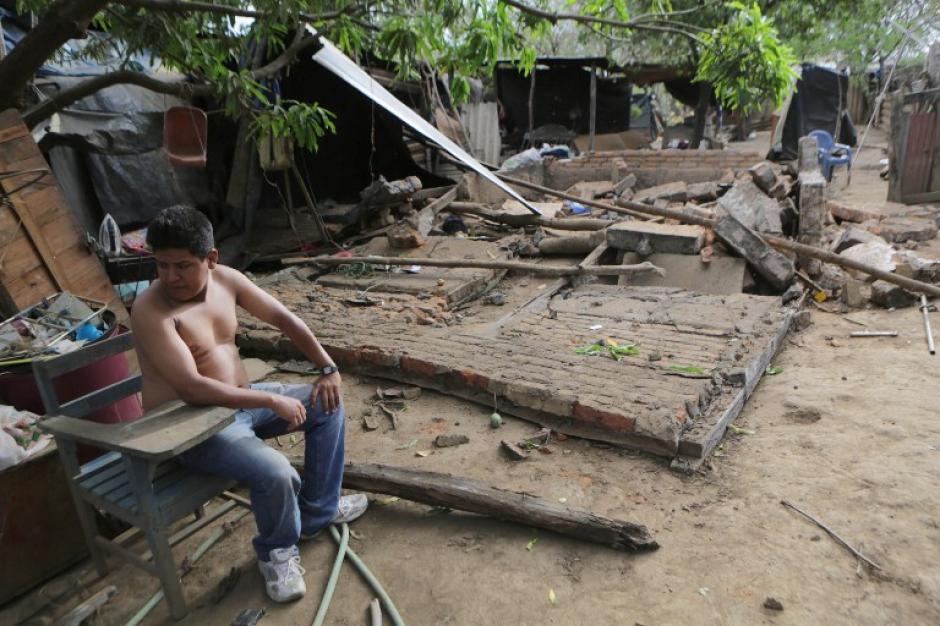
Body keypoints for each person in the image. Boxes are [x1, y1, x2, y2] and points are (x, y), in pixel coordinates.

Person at [131, 205, 366, 603]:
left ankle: (316, 513)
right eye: (162, 265)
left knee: (327, 402)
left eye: (183, 266)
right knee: (275, 471)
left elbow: (286, 319)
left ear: (212, 259)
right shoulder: (151, 310)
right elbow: (191, 388)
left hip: (241, 405)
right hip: (191, 426)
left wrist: (327, 367)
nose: (171, 277)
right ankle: (277, 551)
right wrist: (270, 398)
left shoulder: (227, 280)